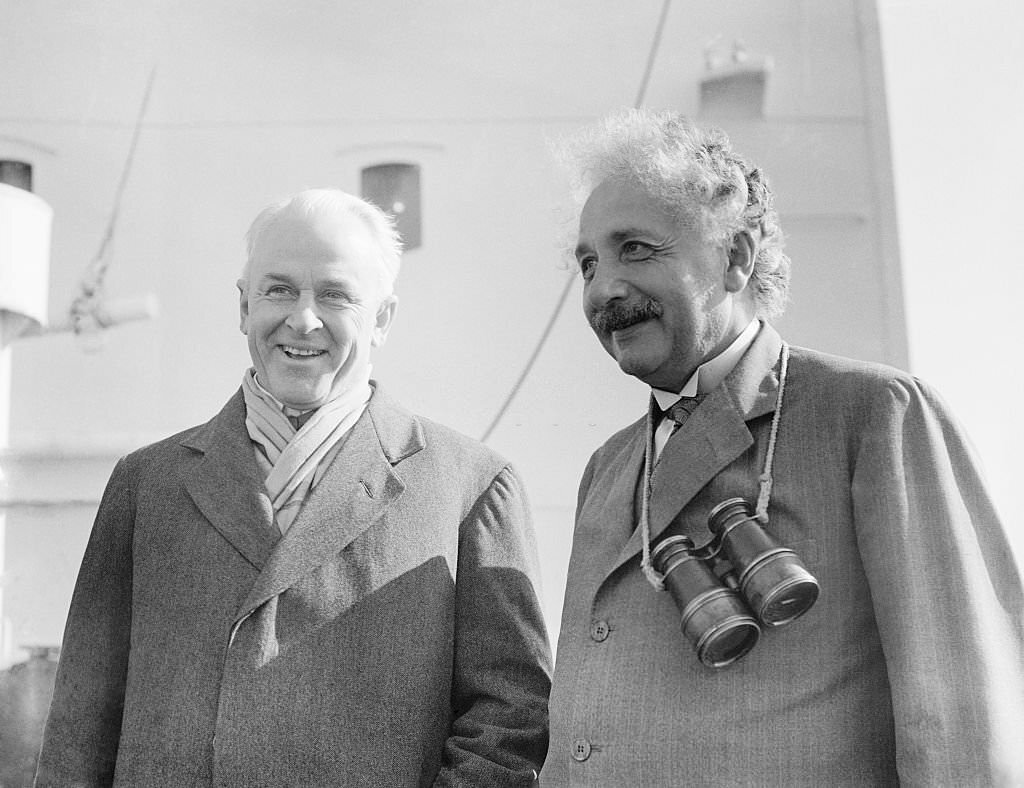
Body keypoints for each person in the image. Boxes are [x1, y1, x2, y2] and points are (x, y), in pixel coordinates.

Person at [541, 109, 1024, 786]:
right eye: (588, 263)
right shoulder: (609, 468)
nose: (604, 289)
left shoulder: (873, 415)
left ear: (735, 257)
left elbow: (964, 729)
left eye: (636, 249)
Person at [36, 189, 552, 787]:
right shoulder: (146, 484)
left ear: (382, 318)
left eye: (334, 295)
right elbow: (79, 730)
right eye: (279, 289)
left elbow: (510, 724)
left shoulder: (472, 486)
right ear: (243, 305)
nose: (303, 319)